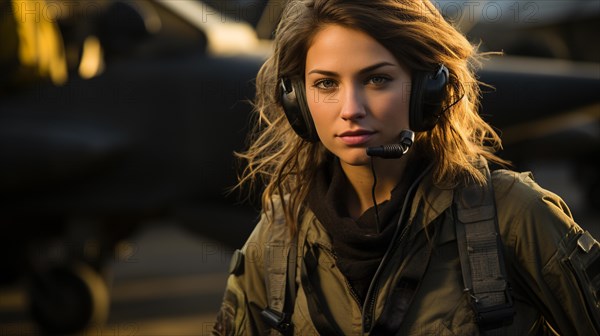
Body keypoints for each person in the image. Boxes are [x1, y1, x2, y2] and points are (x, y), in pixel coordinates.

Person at [213, 0, 600, 335]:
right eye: (326, 84)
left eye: (377, 79)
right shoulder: (279, 237)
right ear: (297, 101)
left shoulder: (513, 215)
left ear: (428, 91)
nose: (351, 110)